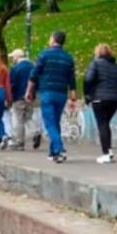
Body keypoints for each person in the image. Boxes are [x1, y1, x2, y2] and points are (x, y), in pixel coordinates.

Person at [26, 30, 77, 163]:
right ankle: (53, 151)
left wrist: (28, 91)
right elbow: (72, 79)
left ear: (53, 39)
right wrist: (73, 96)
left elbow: (34, 74)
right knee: (55, 122)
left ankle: (59, 149)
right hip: (61, 93)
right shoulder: (68, 57)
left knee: (49, 123)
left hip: (48, 92)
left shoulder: (44, 54)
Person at [84, 43, 117, 164]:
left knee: (102, 124)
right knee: (105, 124)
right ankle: (109, 150)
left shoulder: (95, 64)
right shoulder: (116, 67)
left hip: (99, 98)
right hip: (114, 99)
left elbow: (88, 79)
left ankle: (106, 153)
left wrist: (88, 94)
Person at [8, 49, 39, 151]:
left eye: (13, 57)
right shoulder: (33, 66)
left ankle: (19, 142)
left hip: (18, 97)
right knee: (28, 118)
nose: (12, 59)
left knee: (19, 120)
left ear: (17, 57)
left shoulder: (16, 68)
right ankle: (36, 132)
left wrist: (9, 96)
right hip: (31, 96)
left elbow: (12, 84)